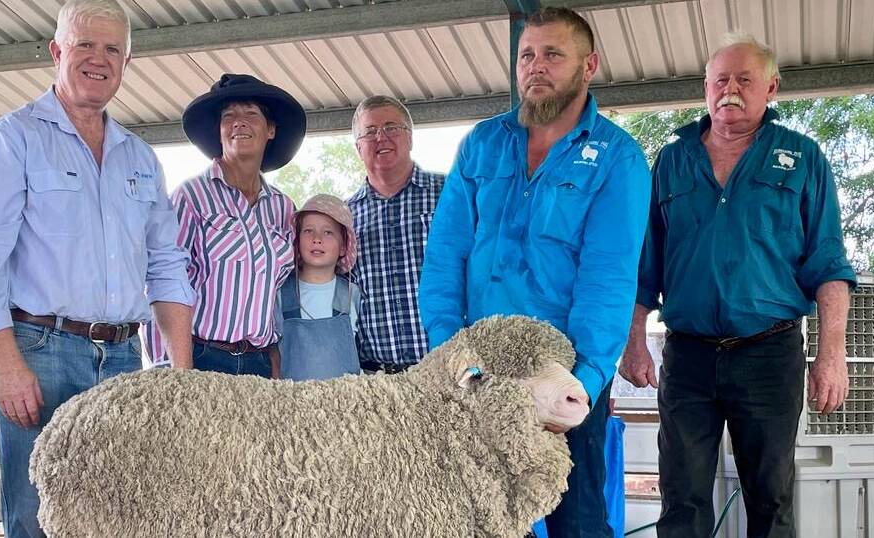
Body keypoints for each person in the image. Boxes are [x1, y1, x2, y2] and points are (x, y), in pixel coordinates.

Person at [0, 1, 194, 536]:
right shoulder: (10, 141)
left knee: (119, 519)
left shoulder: (141, 158)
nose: (97, 60)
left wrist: (182, 374)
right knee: (38, 519)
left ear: (126, 64)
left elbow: (167, 265)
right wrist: (6, 365)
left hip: (126, 362)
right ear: (57, 52)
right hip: (40, 356)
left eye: (112, 49)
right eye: (85, 45)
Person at [418, 7, 652, 537]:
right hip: (480, 371)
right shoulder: (481, 143)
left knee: (577, 520)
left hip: (563, 373)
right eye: (527, 55)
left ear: (588, 65)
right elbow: (445, 257)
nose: (536, 66)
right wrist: (453, 354)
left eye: (552, 54)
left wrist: (583, 383)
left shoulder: (618, 159)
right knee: (485, 519)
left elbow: (608, 281)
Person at [618, 32, 855, 538]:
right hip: (688, 358)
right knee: (682, 499)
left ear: (771, 88)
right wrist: (634, 342)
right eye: (720, 79)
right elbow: (646, 266)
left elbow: (830, 264)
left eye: (744, 79)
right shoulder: (672, 160)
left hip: (769, 355)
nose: (730, 89)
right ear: (705, 89)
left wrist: (832, 355)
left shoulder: (803, 157)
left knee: (771, 499)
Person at [145, 73, 306, 377]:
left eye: (251, 113)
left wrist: (276, 362)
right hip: (202, 358)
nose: (239, 121)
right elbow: (162, 279)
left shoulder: (283, 208)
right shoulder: (191, 197)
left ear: (270, 130)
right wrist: (168, 372)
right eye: (228, 115)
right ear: (218, 132)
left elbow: (281, 294)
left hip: (259, 363)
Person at [347, 95, 445, 374]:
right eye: (370, 132)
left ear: (410, 138)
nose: (381, 137)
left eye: (392, 128)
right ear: (358, 147)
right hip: (375, 379)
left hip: (445, 372)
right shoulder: (342, 217)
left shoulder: (452, 194)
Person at [276, 194, 361, 381]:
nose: (317, 239)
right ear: (296, 242)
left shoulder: (351, 294)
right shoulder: (281, 293)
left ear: (343, 247)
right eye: (308, 231)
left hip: (344, 405)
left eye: (328, 232)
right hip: (292, 404)